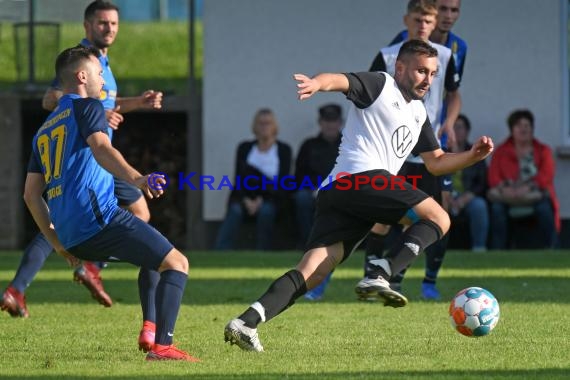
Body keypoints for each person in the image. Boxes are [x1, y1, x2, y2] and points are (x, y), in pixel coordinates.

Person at [224, 39, 494, 352]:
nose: (428, 79)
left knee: (312, 271)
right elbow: (341, 81)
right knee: (439, 217)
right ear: (400, 67)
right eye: (421, 70)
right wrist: (317, 83)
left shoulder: (419, 113)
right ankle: (382, 272)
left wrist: (473, 155)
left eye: (433, 74)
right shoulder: (381, 84)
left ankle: (246, 322)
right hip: (362, 180)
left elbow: (435, 162)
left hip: (341, 193)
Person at [1, 0, 163, 353]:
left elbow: (108, 104)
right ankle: (30, 284)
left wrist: (139, 102)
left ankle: (75, 271)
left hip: (102, 158)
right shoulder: (81, 59)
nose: (110, 29)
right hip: (88, 156)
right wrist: (98, 117)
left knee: (138, 214)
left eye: (114, 23)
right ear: (88, 25)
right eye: (103, 23)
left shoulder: (103, 66)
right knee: (77, 217)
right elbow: (53, 98)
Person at [24, 46, 198, 361]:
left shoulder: (44, 130)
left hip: (73, 238)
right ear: (81, 76)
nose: (102, 78)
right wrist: (138, 179)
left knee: (154, 256)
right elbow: (102, 149)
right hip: (100, 220)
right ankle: (163, 347)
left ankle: (150, 326)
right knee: (178, 264)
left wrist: (59, 245)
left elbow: (31, 195)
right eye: (98, 72)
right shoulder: (87, 106)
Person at [362, 0, 461, 300]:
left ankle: (420, 280)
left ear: (435, 24)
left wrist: (449, 124)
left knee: (437, 215)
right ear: (407, 20)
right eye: (418, 19)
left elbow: (454, 95)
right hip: (397, 150)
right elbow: (370, 97)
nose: (423, 25)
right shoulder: (388, 55)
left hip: (431, 149)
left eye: (428, 20)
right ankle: (375, 275)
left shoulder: (446, 56)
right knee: (384, 216)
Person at [215, 108, 292, 250]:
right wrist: (247, 200)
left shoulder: (283, 150)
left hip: (271, 197)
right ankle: (221, 250)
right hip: (245, 195)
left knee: (266, 212)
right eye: (260, 123)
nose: (264, 127)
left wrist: (260, 201)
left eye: (268, 123)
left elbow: (283, 181)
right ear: (255, 126)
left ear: (274, 126)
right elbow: (238, 178)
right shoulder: (244, 148)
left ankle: (263, 252)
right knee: (235, 211)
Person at [487, 109, 559, 249]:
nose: (523, 129)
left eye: (527, 126)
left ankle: (552, 248)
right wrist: (507, 190)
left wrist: (527, 187)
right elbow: (493, 177)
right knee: (496, 209)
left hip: (533, 194)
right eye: (519, 125)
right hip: (508, 196)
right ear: (512, 129)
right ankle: (497, 251)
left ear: (532, 129)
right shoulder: (501, 151)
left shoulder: (543, 150)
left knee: (545, 209)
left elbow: (546, 175)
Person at [294, 104, 343, 300]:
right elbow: (298, 176)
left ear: (340, 123)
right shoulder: (309, 145)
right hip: (312, 192)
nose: (330, 125)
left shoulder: (348, 143)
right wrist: (315, 188)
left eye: (334, 121)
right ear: (320, 123)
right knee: (301, 199)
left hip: (342, 193)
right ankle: (309, 244)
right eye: (326, 121)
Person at [448, 114, 489, 252]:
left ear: (467, 131)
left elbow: (481, 182)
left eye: (460, 127)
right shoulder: (440, 152)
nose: (456, 131)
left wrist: (466, 198)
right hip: (444, 195)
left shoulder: (476, 152)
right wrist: (448, 198)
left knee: (480, 206)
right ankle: (434, 250)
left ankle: (479, 248)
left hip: (467, 196)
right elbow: (434, 178)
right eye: (453, 127)